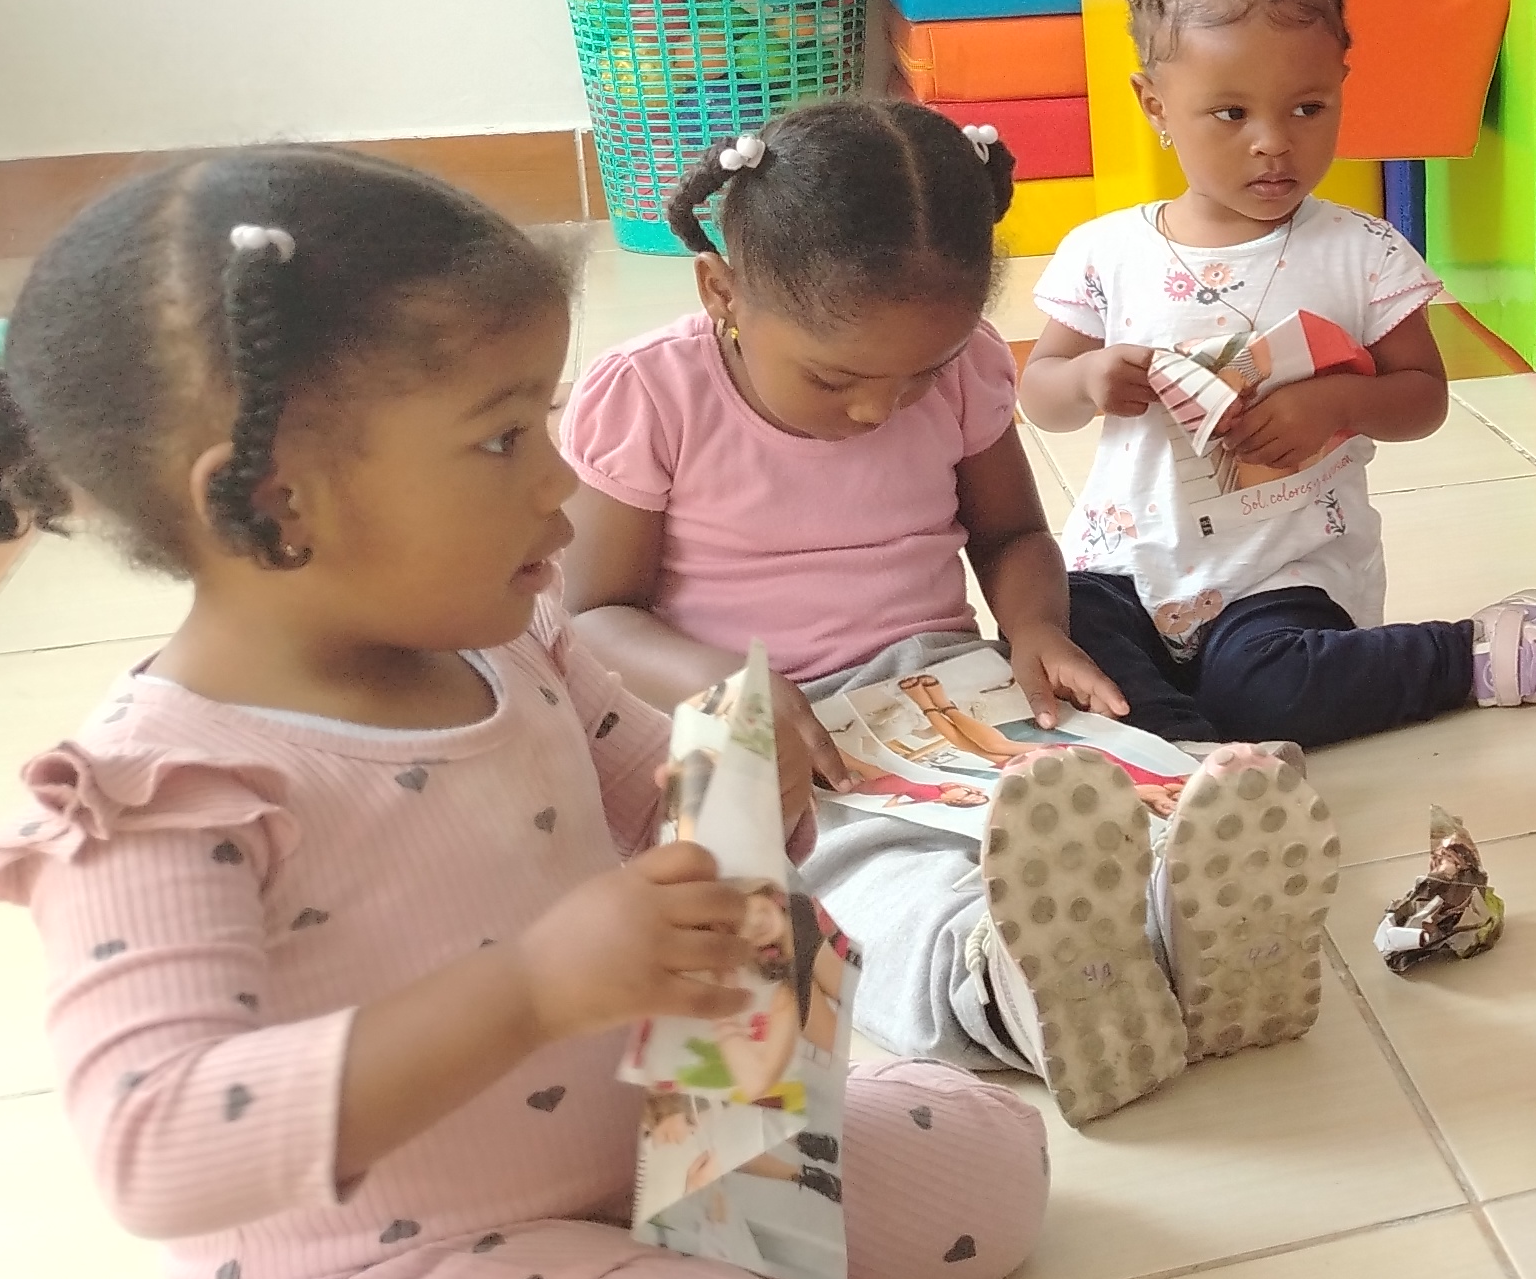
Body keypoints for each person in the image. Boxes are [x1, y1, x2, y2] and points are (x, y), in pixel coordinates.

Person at [0, 150, 1045, 1279]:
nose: (561, 482)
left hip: (625, 1161)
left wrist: (731, 800)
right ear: (276, 498)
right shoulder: (163, 792)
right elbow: (156, 1144)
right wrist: (532, 987)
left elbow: (639, 804)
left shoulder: (509, 642)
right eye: (506, 437)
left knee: (991, 1169)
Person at [560, 95, 1327, 1129]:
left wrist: (1036, 629)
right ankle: (998, 988)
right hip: (757, 725)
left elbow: (1010, 535)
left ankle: (1192, 929)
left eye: (920, 374)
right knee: (850, 874)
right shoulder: (651, 395)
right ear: (720, 291)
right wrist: (729, 689)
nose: (880, 408)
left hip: (944, 692)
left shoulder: (965, 368)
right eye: (835, 377)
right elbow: (594, 615)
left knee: (1091, 797)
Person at [1018, 0, 1536, 752]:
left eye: (1308, 108)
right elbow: (1039, 393)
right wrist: (1085, 377)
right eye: (1230, 114)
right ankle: (1190, 764)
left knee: (1271, 691)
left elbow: (1422, 396)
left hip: (1283, 578)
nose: (1273, 141)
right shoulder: (1106, 251)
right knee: (1059, 638)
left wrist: (1337, 404)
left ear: (1343, 85)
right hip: (1126, 570)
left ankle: (1479, 653)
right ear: (1155, 104)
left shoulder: (1361, 250)